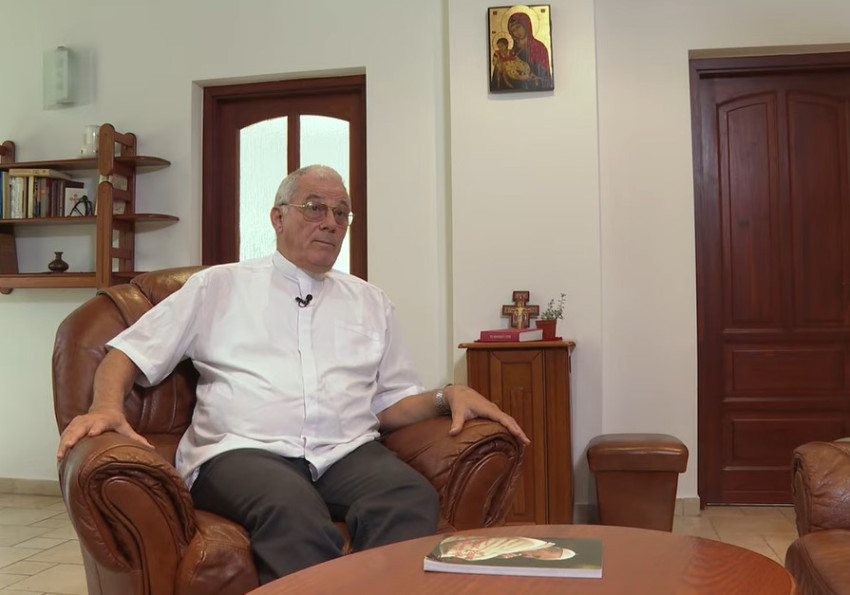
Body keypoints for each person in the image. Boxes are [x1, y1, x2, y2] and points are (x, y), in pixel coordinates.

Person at [56, 164, 529, 584]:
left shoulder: (370, 302)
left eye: (341, 213)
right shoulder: (218, 287)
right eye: (314, 207)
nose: (331, 222)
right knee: (291, 508)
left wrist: (448, 395)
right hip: (241, 453)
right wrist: (106, 407)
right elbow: (128, 352)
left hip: (345, 453)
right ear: (278, 218)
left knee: (408, 497)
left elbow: (391, 403)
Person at [506, 11, 553, 90]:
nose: (516, 32)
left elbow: (545, 76)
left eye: (518, 27)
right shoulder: (512, 52)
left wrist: (532, 78)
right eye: (513, 30)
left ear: (526, 25)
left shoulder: (539, 47)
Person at [437, 535, 576, 561]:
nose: (529, 556)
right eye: (536, 556)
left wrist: (498, 554)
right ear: (550, 549)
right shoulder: (529, 544)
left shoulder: (527, 546)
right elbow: (479, 547)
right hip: (443, 549)